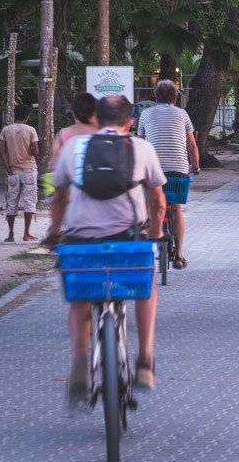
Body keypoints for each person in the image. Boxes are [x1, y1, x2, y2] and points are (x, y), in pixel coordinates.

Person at [45, 95, 167, 402]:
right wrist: (154, 232)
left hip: (82, 240)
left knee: (79, 291)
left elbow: (59, 198)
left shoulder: (73, 147)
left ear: (96, 119)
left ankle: (79, 360)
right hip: (129, 240)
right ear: (130, 122)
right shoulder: (141, 147)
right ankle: (146, 361)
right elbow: (158, 201)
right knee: (146, 283)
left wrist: (54, 232)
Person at [137, 80, 200, 268]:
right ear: (174, 98)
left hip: (152, 171)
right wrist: (195, 166)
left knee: (148, 207)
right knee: (177, 208)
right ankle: (179, 256)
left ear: (155, 98)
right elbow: (192, 145)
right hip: (178, 170)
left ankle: (147, 254)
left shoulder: (145, 114)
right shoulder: (183, 114)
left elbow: (139, 144)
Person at [0, 104, 40, 242]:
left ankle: (10, 234)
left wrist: (8, 170)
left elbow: (2, 154)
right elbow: (36, 151)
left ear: (15, 114)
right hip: (29, 169)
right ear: (27, 117)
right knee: (29, 201)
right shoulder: (31, 130)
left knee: (12, 202)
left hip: (13, 171)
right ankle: (26, 234)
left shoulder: (6, 130)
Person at [49, 92, 98, 170]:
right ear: (95, 113)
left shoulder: (63, 134)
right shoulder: (101, 133)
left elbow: (53, 164)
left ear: (73, 113)